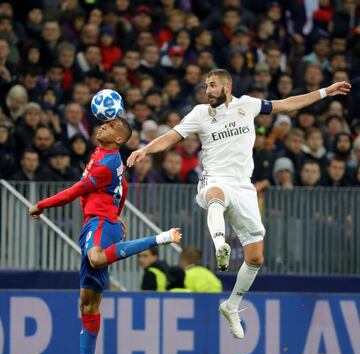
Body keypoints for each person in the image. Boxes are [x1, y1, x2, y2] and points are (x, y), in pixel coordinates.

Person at [127, 68, 351, 339]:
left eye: (212, 85)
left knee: (256, 257)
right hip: (214, 178)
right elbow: (171, 137)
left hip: (244, 186)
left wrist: (326, 91)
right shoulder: (199, 114)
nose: (207, 90)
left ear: (227, 87)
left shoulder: (248, 105)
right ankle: (220, 242)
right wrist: (144, 149)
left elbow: (288, 104)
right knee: (215, 195)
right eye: (205, 86)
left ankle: (231, 305)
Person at [28, 118, 181, 354]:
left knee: (97, 258)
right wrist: (117, 211)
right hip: (100, 220)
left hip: (99, 224)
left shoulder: (105, 162)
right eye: (103, 125)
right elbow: (121, 185)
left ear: (120, 139)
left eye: (110, 127)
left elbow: (75, 191)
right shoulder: (106, 157)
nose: (102, 127)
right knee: (88, 304)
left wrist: (42, 205)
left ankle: (160, 238)